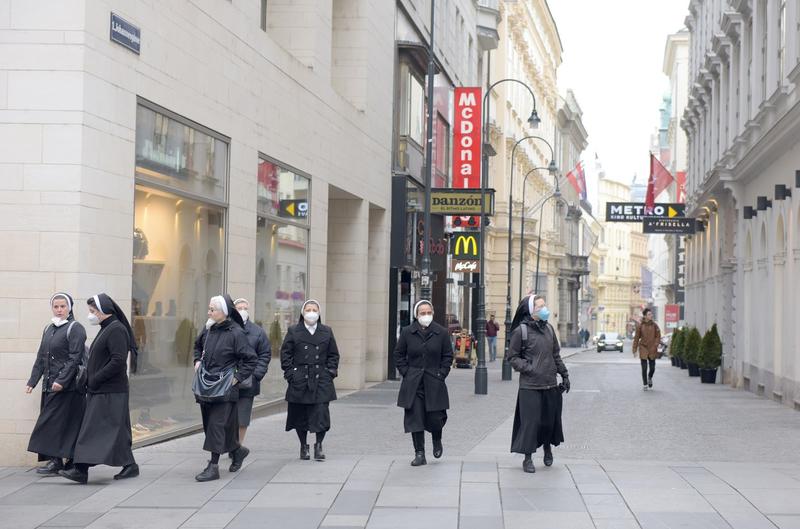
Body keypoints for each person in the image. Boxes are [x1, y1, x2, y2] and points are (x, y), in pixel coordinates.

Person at [59, 293, 140, 484]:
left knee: (92, 430)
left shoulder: (116, 330)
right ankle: (130, 465)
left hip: (109, 390)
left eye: (93, 311)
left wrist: (95, 378)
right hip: (103, 389)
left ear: (103, 311)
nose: (90, 315)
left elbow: (118, 362)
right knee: (116, 430)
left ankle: (81, 469)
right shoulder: (107, 328)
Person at [193, 295, 257, 482]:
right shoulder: (208, 329)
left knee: (216, 424)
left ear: (224, 312)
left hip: (226, 388)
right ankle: (238, 451)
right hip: (206, 386)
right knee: (210, 425)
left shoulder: (236, 333)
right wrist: (197, 361)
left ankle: (213, 467)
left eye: (213, 309)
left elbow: (250, 359)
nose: (209, 312)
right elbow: (197, 347)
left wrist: (237, 378)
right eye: (209, 308)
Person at [507, 295, 570, 474]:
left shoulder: (549, 329)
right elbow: (512, 357)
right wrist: (529, 368)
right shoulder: (521, 331)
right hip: (530, 386)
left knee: (549, 422)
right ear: (531, 310)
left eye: (544, 305)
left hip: (550, 384)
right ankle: (528, 458)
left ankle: (547, 449)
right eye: (540, 306)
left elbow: (556, 355)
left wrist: (564, 375)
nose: (544, 309)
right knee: (530, 423)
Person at [26, 293, 87, 476]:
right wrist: (33, 381)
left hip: (66, 388)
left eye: (63, 306)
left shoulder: (75, 328)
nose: (59, 310)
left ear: (69, 308)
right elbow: (41, 357)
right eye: (56, 306)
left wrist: (61, 380)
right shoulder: (48, 328)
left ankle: (62, 461)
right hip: (49, 386)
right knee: (53, 425)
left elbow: (75, 358)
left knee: (57, 424)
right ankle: (57, 461)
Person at [394, 300, 453, 466]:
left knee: (436, 417)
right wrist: (406, 372)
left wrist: (441, 373)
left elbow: (447, 356)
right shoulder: (407, 332)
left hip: (434, 380)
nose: (426, 316)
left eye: (428, 312)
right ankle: (419, 453)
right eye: (422, 313)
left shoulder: (441, 332)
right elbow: (398, 355)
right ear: (416, 315)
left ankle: (437, 438)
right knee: (415, 418)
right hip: (414, 383)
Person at [280, 300, 340, 461]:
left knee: (321, 413)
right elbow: (285, 354)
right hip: (300, 378)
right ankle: (303, 445)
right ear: (302, 312)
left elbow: (333, 354)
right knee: (300, 415)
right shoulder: (294, 331)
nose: (311, 312)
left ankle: (319, 445)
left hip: (321, 378)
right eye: (308, 309)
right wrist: (290, 374)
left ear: (319, 313)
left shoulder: (326, 331)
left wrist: (330, 372)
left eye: (314, 309)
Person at [233, 298, 271, 443]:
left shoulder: (258, 331)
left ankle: (237, 447)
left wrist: (256, 375)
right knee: (227, 417)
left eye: (245, 308)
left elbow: (265, 354)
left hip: (248, 382)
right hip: (228, 380)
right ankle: (230, 443)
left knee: (242, 418)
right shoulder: (226, 328)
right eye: (239, 308)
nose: (242, 311)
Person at [633, 308, 661, 390]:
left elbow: (658, 336)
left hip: (652, 348)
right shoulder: (640, 326)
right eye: (649, 314)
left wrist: (655, 344)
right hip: (643, 347)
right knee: (644, 368)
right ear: (645, 316)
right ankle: (645, 384)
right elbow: (636, 338)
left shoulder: (655, 325)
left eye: (651, 314)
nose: (651, 315)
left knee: (652, 368)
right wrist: (634, 350)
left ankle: (650, 377)